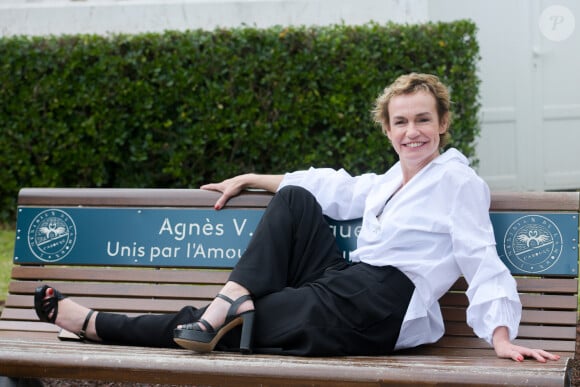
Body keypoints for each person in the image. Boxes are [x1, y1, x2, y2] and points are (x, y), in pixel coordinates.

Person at [35, 73, 559, 362]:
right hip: (348, 284)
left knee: (232, 326)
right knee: (297, 198)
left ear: (443, 123)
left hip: (382, 303)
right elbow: (329, 187)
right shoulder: (384, 183)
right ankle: (230, 299)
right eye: (400, 122)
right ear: (388, 130)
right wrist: (251, 179)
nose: (412, 131)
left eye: (423, 119)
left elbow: (479, 255)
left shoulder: (457, 182)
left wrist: (501, 335)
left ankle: (97, 324)